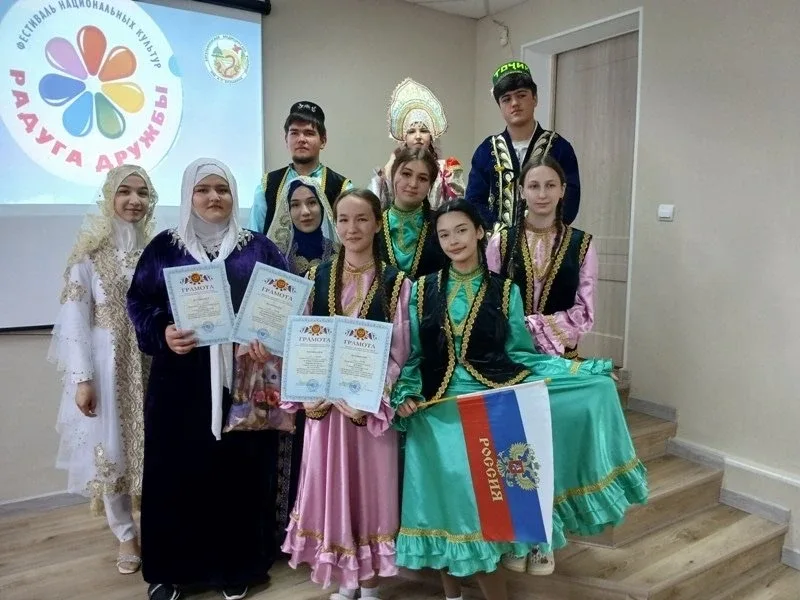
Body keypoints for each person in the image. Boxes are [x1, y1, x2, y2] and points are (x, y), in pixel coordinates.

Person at [392, 199, 646, 596]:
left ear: (479, 232)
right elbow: (416, 356)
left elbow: (521, 355)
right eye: (444, 234)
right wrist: (406, 391)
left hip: (490, 401)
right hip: (436, 407)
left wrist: (584, 371)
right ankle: (452, 594)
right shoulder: (422, 290)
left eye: (461, 230)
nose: (453, 240)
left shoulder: (505, 291)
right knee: (444, 505)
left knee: (482, 505)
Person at [127, 158, 289, 600]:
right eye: (203, 190)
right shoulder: (165, 247)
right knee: (175, 474)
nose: (214, 197)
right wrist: (162, 331)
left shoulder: (259, 248)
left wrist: (269, 340)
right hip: (179, 381)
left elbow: (286, 302)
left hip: (244, 380)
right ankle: (170, 571)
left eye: (222, 189)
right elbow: (139, 301)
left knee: (239, 474)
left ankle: (236, 567)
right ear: (188, 195)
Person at [282, 189, 410, 600]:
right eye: (343, 219)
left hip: (367, 413)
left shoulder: (397, 283)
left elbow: (401, 351)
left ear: (377, 223)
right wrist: (306, 392)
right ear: (334, 224)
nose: (352, 228)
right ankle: (343, 580)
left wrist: (371, 396)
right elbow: (301, 340)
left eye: (361, 219)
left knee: (370, 492)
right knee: (329, 489)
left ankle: (369, 584)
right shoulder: (314, 278)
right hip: (325, 411)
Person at [50, 164, 157, 576]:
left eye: (142, 193)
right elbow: (74, 319)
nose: (134, 200)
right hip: (108, 363)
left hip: (152, 361)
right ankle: (126, 534)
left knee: (153, 445)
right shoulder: (89, 255)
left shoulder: (156, 251)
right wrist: (83, 379)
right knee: (111, 449)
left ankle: (157, 527)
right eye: (124, 191)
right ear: (109, 197)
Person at [265, 175, 340, 552]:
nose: (304, 211)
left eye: (311, 203)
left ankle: (321, 529)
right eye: (295, 204)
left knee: (322, 445)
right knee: (286, 444)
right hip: (284, 363)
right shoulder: (274, 256)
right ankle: (284, 531)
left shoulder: (339, 253)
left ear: (323, 207)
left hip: (330, 364)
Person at [487, 155, 596, 358]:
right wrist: (518, 331)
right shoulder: (500, 242)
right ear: (522, 192)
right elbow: (489, 301)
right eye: (534, 186)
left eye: (550, 185)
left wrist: (537, 328)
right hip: (512, 355)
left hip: (560, 358)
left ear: (562, 190)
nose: (542, 194)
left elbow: (584, 310)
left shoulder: (581, 244)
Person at [465, 61, 580, 232]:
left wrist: (541, 231)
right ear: (500, 106)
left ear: (535, 98)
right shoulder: (486, 151)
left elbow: (571, 198)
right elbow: (474, 201)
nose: (514, 103)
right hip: (496, 243)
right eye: (506, 99)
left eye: (521, 95)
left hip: (546, 241)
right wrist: (502, 234)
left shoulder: (559, 147)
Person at [249, 101, 352, 233]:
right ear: (286, 139)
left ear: (323, 140)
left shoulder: (342, 188)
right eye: (294, 133)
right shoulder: (267, 185)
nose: (301, 139)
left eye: (309, 133)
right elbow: (254, 236)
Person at [369, 77, 464, 210]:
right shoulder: (391, 169)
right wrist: (388, 172)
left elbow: (457, 209)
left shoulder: (446, 170)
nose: (418, 136)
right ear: (404, 137)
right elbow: (376, 207)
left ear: (431, 136)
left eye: (424, 131)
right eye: (412, 131)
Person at [376, 146, 447, 279]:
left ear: (430, 185)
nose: (413, 184)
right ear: (393, 175)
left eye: (422, 178)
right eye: (406, 174)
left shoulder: (441, 225)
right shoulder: (374, 224)